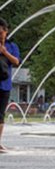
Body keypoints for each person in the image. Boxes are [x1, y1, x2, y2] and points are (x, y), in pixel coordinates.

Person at [0, 19, 20, 152]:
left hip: (4, 85)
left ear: (6, 31)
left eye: (0, 32)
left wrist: (5, 52)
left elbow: (16, 62)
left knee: (0, 115)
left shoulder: (12, 46)